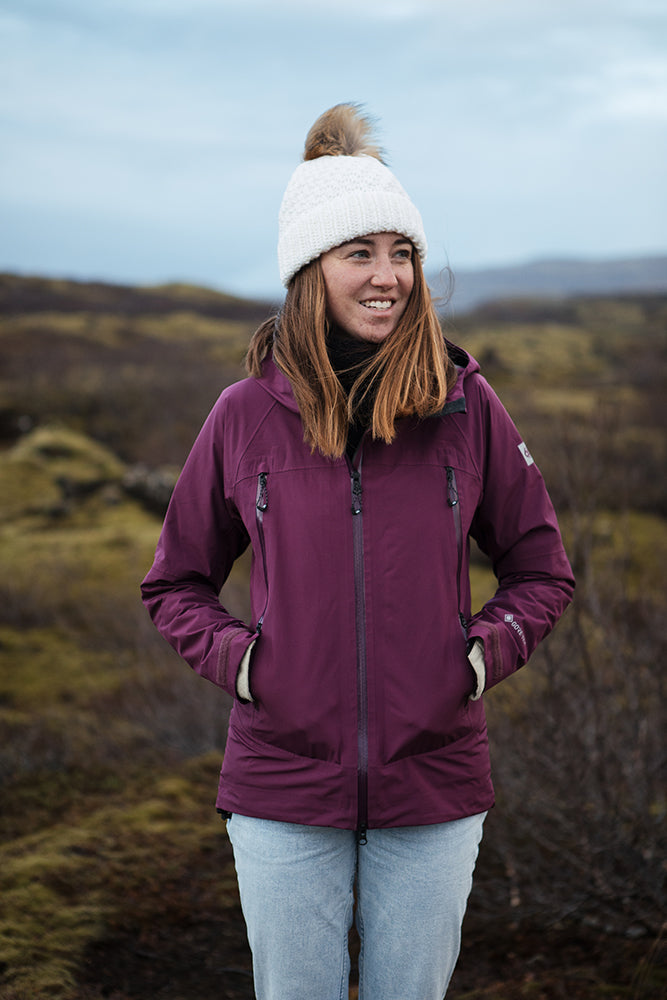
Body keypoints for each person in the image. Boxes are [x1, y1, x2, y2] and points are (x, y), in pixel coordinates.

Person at [141, 103, 575, 1000]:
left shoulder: (465, 407)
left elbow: (539, 568)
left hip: (434, 782)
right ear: (310, 271)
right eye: (360, 254)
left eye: (402, 253)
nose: (388, 277)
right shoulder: (242, 416)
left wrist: (477, 656)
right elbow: (175, 582)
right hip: (281, 783)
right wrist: (247, 666)